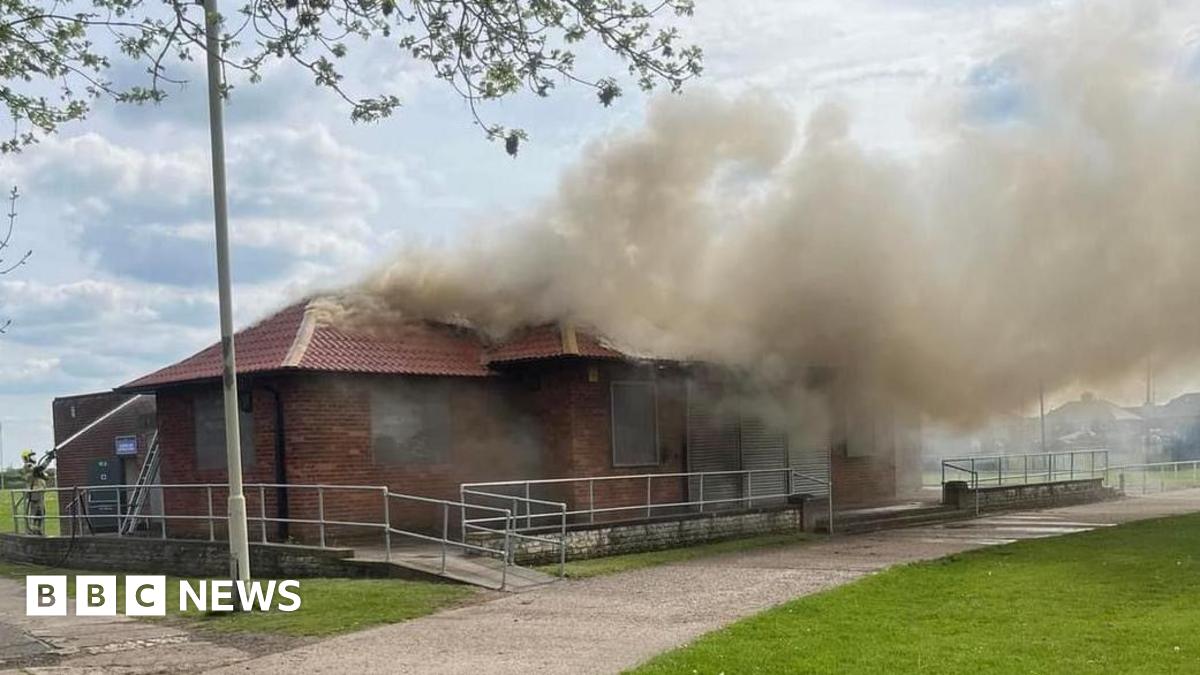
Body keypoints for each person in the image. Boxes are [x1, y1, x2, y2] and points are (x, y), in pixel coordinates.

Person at [20, 450, 47, 535]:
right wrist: (49, 459)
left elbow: (46, 476)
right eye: (31, 456)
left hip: (40, 493)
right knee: (35, 512)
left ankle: (38, 530)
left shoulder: (34, 467)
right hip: (34, 493)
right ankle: (32, 531)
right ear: (26, 458)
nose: (34, 458)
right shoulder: (28, 466)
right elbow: (39, 468)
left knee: (41, 512)